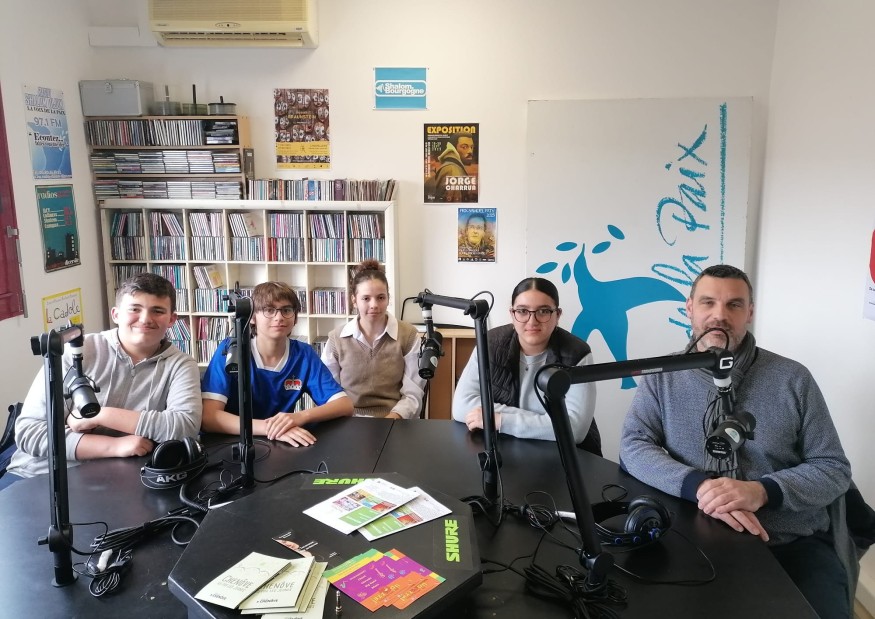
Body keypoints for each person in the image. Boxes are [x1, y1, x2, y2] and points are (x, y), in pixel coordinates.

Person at [619, 264, 852, 619]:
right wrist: (700, 487)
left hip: (789, 543)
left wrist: (762, 491)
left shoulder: (793, 378)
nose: (720, 315)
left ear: (750, 312)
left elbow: (833, 468)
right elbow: (634, 444)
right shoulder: (662, 375)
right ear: (689, 308)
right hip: (693, 535)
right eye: (708, 302)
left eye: (734, 305)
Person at [1, 273, 202, 490]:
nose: (145, 319)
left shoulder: (181, 365)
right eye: (134, 309)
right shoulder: (77, 351)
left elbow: (185, 427)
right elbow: (30, 432)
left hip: (115, 481)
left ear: (172, 319)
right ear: (116, 314)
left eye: (158, 311)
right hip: (36, 475)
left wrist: (99, 415)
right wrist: (114, 446)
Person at [452, 277, 600, 452]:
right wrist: (543, 422)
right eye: (522, 311)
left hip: (566, 457)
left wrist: (500, 420)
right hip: (506, 451)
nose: (532, 321)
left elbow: (574, 430)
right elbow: (461, 407)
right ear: (512, 314)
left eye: (543, 311)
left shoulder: (577, 354)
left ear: (557, 315)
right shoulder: (489, 344)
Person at [201, 281, 353, 447]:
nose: (279, 317)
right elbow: (209, 417)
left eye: (286, 310)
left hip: (281, 444)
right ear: (252, 317)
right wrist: (271, 428)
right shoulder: (230, 351)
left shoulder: (303, 354)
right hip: (233, 443)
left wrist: (299, 417)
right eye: (269, 310)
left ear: (295, 317)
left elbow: (344, 405)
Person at [321, 260, 425, 419]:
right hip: (349, 420)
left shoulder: (408, 335)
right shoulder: (336, 339)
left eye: (381, 297)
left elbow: (413, 394)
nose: (374, 305)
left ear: (388, 298)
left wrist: (391, 420)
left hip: (394, 420)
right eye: (366, 298)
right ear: (354, 300)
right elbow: (329, 393)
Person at [434, 132, 477, 203]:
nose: (470, 151)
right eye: (464, 147)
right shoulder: (451, 170)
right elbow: (451, 204)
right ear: (454, 148)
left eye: (471, 147)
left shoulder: (453, 167)